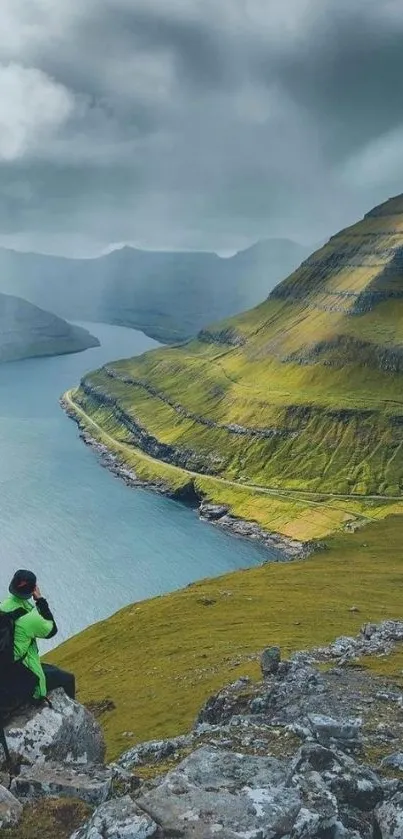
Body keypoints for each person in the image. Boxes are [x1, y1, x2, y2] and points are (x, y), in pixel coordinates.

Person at [0, 569, 75, 702]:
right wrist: (40, 600)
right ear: (33, 589)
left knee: (51, 670)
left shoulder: (3, 606)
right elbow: (52, 630)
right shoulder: (30, 618)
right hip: (21, 671)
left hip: (4, 668)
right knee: (67, 678)